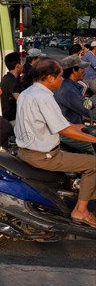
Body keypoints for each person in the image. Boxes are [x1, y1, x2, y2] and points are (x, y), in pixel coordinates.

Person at [15, 59, 96, 228]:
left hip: (26, 151)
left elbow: (56, 124)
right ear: (50, 78)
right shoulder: (44, 97)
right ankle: (81, 210)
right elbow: (63, 130)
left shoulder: (28, 93)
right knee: (93, 164)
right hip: (44, 156)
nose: (62, 79)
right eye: (60, 76)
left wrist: (80, 127)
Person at [53, 56, 96, 155]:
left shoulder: (68, 85)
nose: (84, 71)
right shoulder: (70, 90)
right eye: (82, 68)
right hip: (68, 131)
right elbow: (89, 111)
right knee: (92, 148)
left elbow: (87, 104)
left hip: (68, 126)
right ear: (74, 70)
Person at [0, 52, 22, 125]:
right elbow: (20, 100)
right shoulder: (11, 81)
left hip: (7, 114)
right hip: (11, 117)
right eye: (22, 63)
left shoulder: (6, 78)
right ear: (18, 66)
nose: (23, 66)